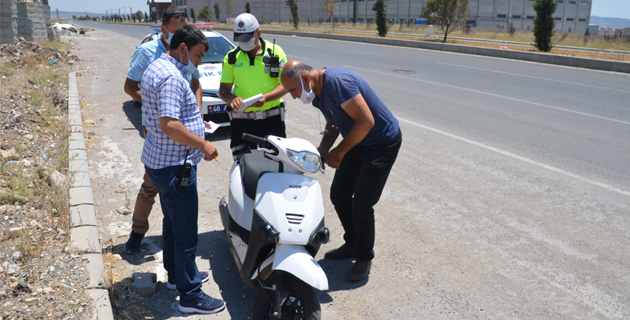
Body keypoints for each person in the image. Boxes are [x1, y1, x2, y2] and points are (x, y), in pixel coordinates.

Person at [280, 60, 402, 282]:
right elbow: (334, 121)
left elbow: (366, 121)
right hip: (358, 141)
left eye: (293, 90)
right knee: (339, 194)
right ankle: (353, 244)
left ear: (305, 79)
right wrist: (326, 146)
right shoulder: (317, 93)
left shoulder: (337, 82)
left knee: (362, 205)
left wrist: (339, 152)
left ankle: (364, 257)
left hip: (381, 143)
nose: (294, 97)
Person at [140, 24, 225, 314]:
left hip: (159, 162)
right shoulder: (172, 78)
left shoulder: (157, 67)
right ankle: (191, 296)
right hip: (175, 166)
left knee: (173, 221)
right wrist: (203, 144)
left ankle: (176, 277)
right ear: (183, 49)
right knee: (187, 232)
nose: (200, 61)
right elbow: (169, 124)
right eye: (199, 55)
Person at [123, 8, 204, 255]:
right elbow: (129, 86)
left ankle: (173, 263)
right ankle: (137, 234)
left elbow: (195, 82)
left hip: (180, 135)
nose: (180, 33)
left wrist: (196, 115)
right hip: (157, 131)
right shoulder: (148, 53)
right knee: (151, 187)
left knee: (173, 199)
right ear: (163, 29)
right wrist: (155, 105)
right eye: (175, 29)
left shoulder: (187, 55)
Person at [219, 13, 288, 159]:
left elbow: (285, 84)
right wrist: (233, 99)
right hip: (242, 121)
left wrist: (266, 98)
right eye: (239, 39)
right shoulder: (231, 58)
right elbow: (223, 90)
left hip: (271, 120)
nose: (243, 43)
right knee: (243, 165)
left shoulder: (275, 52)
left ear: (258, 33)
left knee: (275, 164)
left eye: (247, 38)